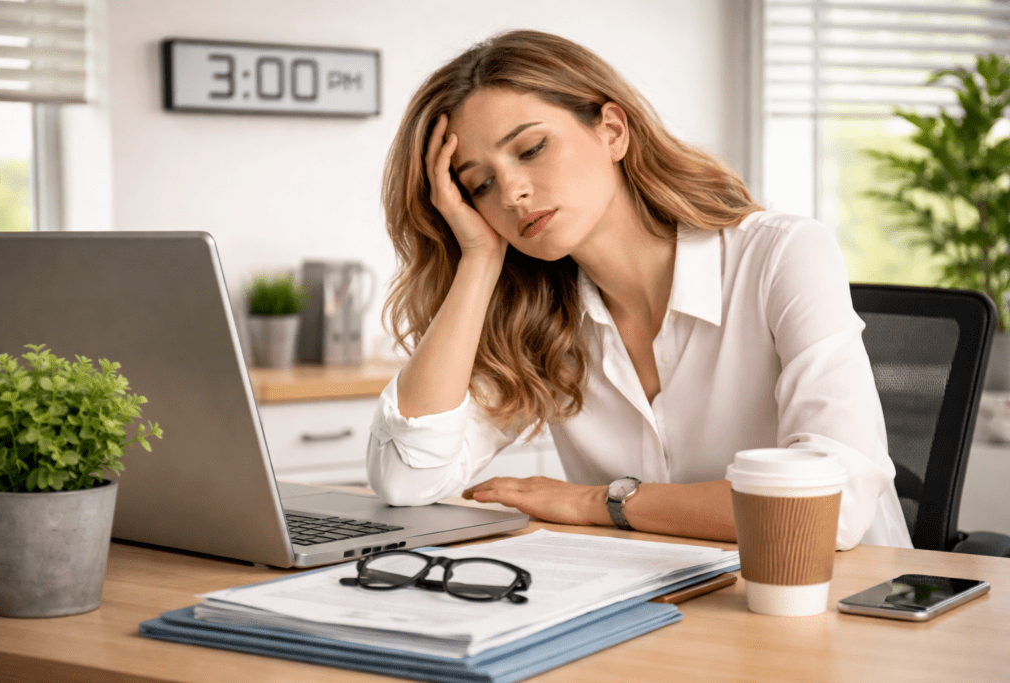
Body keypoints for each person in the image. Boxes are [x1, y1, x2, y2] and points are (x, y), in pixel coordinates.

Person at [366, 29, 912, 550]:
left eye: (531, 149)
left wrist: (600, 503)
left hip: (843, 606)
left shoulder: (782, 255)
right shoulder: (536, 319)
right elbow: (406, 479)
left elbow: (825, 507)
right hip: (665, 614)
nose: (512, 192)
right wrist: (480, 260)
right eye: (479, 184)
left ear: (612, 130)